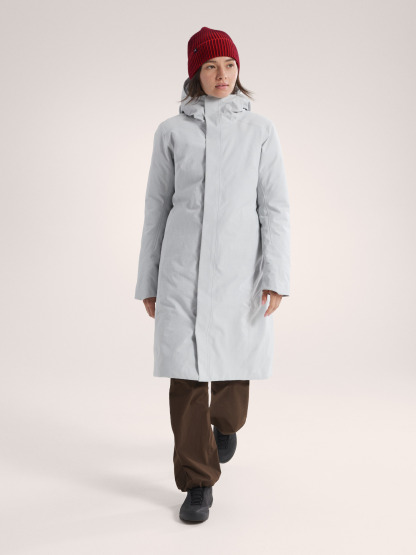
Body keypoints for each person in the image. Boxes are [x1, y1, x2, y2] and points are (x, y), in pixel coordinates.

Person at [134, 26, 290, 523]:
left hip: (239, 272)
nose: (221, 74)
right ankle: (197, 481)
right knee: (185, 379)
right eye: (209, 66)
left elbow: (275, 206)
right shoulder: (171, 132)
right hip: (180, 273)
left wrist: (275, 274)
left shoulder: (260, 130)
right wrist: (149, 280)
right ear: (194, 74)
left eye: (228, 65)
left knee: (231, 373)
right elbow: (156, 209)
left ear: (238, 70)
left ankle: (226, 424)